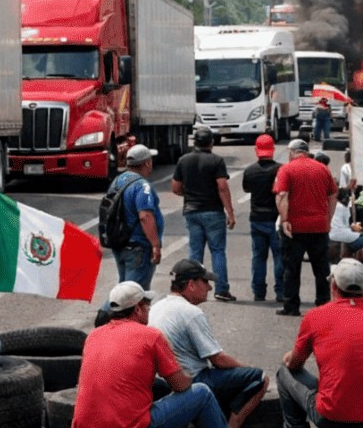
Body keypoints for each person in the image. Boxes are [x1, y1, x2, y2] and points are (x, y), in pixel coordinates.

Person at [73, 281, 234, 428]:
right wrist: (185, 371)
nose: (150, 309)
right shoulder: (150, 335)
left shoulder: (93, 336)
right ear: (137, 309)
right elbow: (180, 385)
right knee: (202, 393)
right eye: (147, 305)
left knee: (155, 386)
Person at [278, 259, 363, 428]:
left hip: (333, 419)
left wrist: (291, 356)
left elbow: (294, 365)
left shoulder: (315, 316)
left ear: (333, 286)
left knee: (284, 373)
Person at [149, 260, 269, 428]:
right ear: (191, 284)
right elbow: (218, 360)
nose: (210, 288)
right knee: (261, 378)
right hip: (192, 380)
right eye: (205, 282)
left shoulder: (156, 307)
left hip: (166, 380)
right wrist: (248, 368)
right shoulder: (191, 312)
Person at [274, 138, 339, 317]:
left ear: (293, 152)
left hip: (294, 228)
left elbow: (282, 195)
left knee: (291, 268)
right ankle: (324, 303)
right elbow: (333, 194)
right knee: (321, 269)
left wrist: (284, 219)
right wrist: (328, 217)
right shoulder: (322, 168)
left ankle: (291, 305)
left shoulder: (286, 169)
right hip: (319, 226)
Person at [174, 129, 238, 301]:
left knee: (195, 252)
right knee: (217, 251)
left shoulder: (184, 160)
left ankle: (190, 289)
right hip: (213, 212)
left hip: (191, 211)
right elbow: (222, 187)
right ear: (211, 143)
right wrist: (230, 213)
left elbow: (175, 187)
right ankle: (221, 289)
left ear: (194, 142)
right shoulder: (216, 161)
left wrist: (189, 195)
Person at [108, 144, 164, 290]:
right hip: (138, 247)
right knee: (134, 294)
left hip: (120, 243)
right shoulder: (142, 185)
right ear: (146, 163)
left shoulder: (118, 181)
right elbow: (145, 216)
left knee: (125, 290)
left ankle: (114, 312)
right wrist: (155, 245)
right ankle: (104, 313)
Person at [242, 134, 284, 303]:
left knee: (259, 257)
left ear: (256, 150)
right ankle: (281, 291)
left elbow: (246, 189)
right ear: (272, 150)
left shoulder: (250, 170)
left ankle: (259, 292)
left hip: (257, 218)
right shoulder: (281, 169)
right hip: (276, 219)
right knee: (279, 256)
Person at [329, 188, 363, 263]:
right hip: (339, 233)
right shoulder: (343, 207)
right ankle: (347, 253)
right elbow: (346, 224)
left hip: (329, 234)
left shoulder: (330, 204)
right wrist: (355, 228)